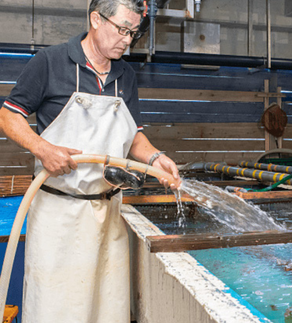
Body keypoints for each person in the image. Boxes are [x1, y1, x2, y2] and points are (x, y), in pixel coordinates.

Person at [0, 0, 181, 322]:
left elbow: (133, 134)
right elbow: (9, 116)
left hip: (109, 208)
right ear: (96, 19)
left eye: (134, 33)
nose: (127, 40)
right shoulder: (51, 61)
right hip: (59, 212)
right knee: (55, 304)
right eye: (122, 29)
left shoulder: (125, 74)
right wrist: (42, 149)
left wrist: (156, 157)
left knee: (106, 303)